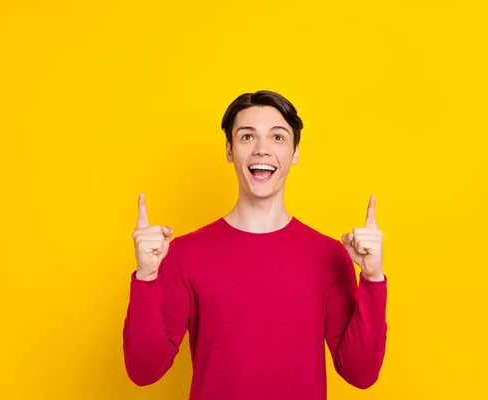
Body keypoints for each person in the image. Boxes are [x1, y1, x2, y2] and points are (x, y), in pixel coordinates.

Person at [122, 90, 388, 400]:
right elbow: (143, 371)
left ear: (295, 152)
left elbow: (361, 374)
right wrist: (145, 277)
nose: (262, 149)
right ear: (229, 150)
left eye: (278, 138)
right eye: (247, 137)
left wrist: (372, 279)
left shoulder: (329, 255)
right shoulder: (183, 254)